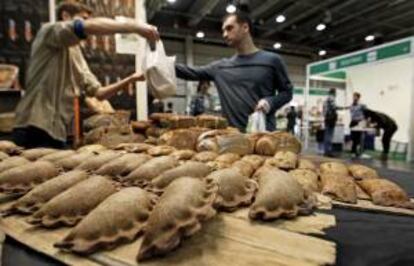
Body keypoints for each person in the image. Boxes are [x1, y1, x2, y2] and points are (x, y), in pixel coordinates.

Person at [12, 1, 159, 149]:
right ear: (65, 16)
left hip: (57, 132)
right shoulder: (49, 31)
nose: (88, 24)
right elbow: (81, 27)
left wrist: (132, 78)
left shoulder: (75, 53)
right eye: (83, 18)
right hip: (32, 127)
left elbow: (100, 94)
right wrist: (135, 27)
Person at [175, 11, 293, 132]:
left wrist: (270, 102)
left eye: (229, 28)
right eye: (223, 31)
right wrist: (157, 58)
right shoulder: (220, 68)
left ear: (245, 27)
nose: (225, 34)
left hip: (263, 139)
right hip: (232, 141)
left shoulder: (272, 61)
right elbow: (189, 72)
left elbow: (287, 92)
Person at [349, 92, 366, 157]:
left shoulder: (361, 105)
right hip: (353, 122)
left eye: (355, 96)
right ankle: (353, 151)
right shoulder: (352, 105)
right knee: (353, 138)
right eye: (353, 96)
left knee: (358, 138)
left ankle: (357, 151)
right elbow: (351, 112)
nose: (353, 97)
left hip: (359, 122)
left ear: (358, 97)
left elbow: (365, 112)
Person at [323, 88, 338, 157]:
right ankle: (328, 151)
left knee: (327, 134)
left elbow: (325, 109)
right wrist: (345, 107)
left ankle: (326, 151)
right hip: (331, 119)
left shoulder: (326, 99)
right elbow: (334, 107)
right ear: (334, 92)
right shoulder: (331, 98)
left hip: (327, 118)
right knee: (329, 135)